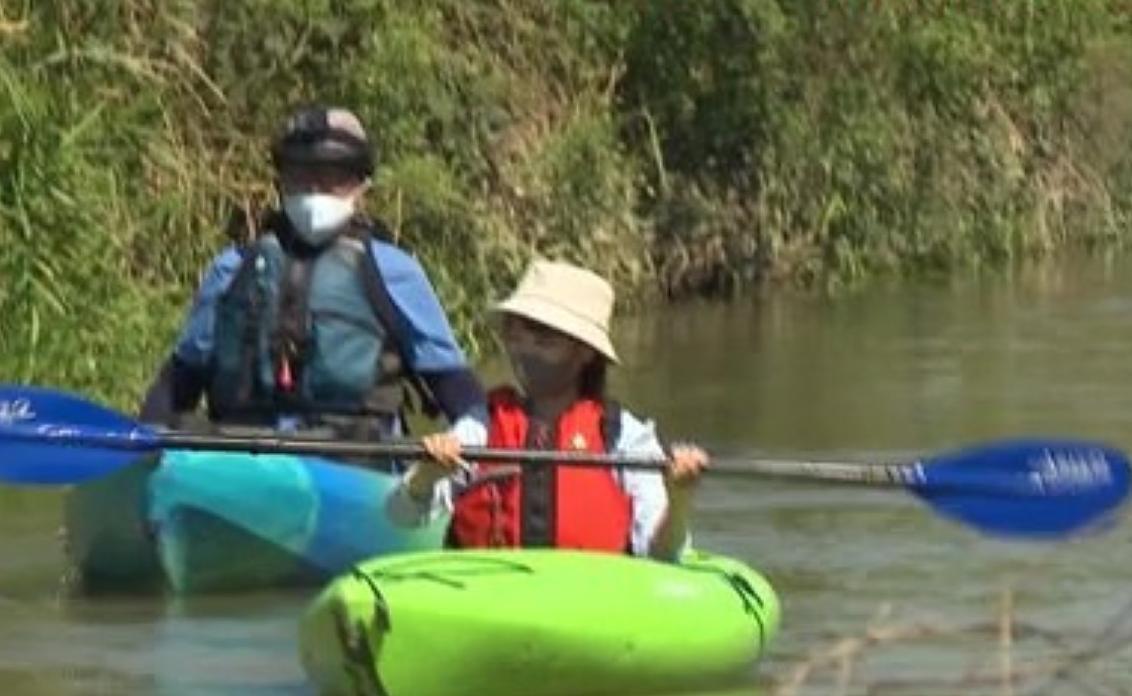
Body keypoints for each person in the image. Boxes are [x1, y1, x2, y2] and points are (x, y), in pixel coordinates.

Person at [137, 106, 488, 452]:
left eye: (334, 177)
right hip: (243, 465)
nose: (316, 189)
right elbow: (179, 380)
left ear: (361, 185)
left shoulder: (394, 272)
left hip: (354, 470)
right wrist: (147, 436)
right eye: (301, 175)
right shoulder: (231, 270)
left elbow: (453, 384)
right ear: (282, 180)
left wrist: (468, 429)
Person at [384, 259, 709, 561]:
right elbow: (401, 516)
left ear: (585, 353)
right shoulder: (481, 425)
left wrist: (678, 499)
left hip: (594, 603)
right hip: (489, 599)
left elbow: (663, 555)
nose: (525, 353)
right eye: (516, 337)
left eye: (544, 341)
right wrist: (427, 476)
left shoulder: (624, 436)